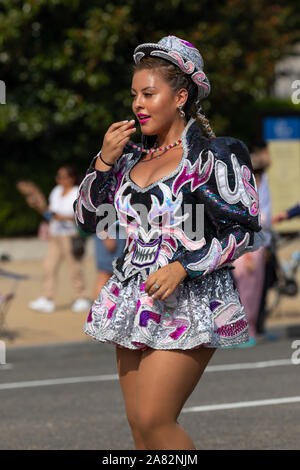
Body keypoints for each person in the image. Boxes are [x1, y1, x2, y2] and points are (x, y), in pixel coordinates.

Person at [74, 35, 262, 450]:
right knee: (140, 430)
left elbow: (246, 228)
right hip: (132, 298)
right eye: (134, 95)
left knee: (154, 419)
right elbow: (86, 220)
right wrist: (103, 160)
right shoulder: (125, 158)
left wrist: (183, 266)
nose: (138, 104)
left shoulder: (215, 155)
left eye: (148, 93)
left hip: (191, 297)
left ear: (180, 96)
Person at [29, 165, 91, 313]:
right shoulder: (56, 191)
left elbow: (81, 216)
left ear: (72, 178)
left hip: (71, 235)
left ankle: (81, 297)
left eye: (63, 176)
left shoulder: (77, 193)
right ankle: (47, 297)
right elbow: (49, 213)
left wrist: (61, 217)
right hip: (55, 234)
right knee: (48, 267)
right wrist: (37, 206)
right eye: (58, 176)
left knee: (74, 268)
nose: (60, 179)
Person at [232, 141, 271, 345]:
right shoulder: (242, 194)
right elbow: (243, 225)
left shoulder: (256, 190)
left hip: (257, 247)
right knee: (246, 292)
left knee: (254, 292)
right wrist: (246, 254)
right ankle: (244, 331)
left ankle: (252, 330)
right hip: (247, 249)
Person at [93, 225, 126, 299]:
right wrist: (105, 235)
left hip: (122, 231)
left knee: (120, 277)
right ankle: (99, 308)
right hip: (109, 232)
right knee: (105, 275)